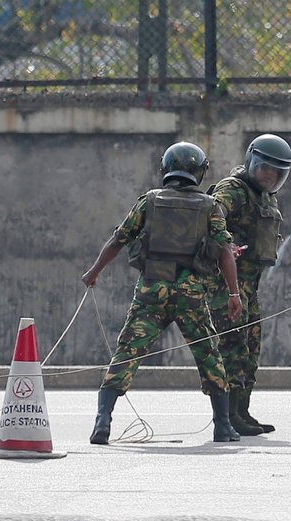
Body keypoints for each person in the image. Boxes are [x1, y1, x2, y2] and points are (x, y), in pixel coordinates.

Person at [81, 141, 244, 445]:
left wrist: (94, 273)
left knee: (126, 352)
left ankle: (103, 421)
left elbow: (118, 239)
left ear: (166, 168)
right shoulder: (210, 206)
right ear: (199, 171)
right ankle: (222, 426)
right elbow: (225, 252)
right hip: (190, 294)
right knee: (209, 354)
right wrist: (235, 294)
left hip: (151, 289)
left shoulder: (149, 201)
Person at [206, 134, 291, 436]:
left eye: (277, 172)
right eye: (265, 168)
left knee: (251, 348)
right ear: (252, 162)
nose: (270, 176)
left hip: (249, 286)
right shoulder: (233, 189)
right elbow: (213, 213)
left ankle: (242, 411)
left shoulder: (265, 197)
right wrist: (225, 243)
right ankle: (228, 416)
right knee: (232, 348)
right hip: (226, 284)